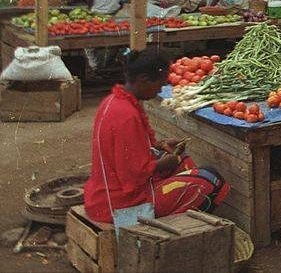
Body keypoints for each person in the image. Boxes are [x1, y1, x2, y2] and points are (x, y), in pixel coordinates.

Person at [84, 50, 229, 225]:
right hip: (120, 205)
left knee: (184, 161)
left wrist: (159, 145)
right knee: (210, 181)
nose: (160, 90)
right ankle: (165, 230)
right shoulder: (127, 116)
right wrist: (162, 164)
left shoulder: (112, 100)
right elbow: (132, 174)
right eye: (159, 84)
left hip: (104, 193)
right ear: (144, 79)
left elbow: (125, 152)